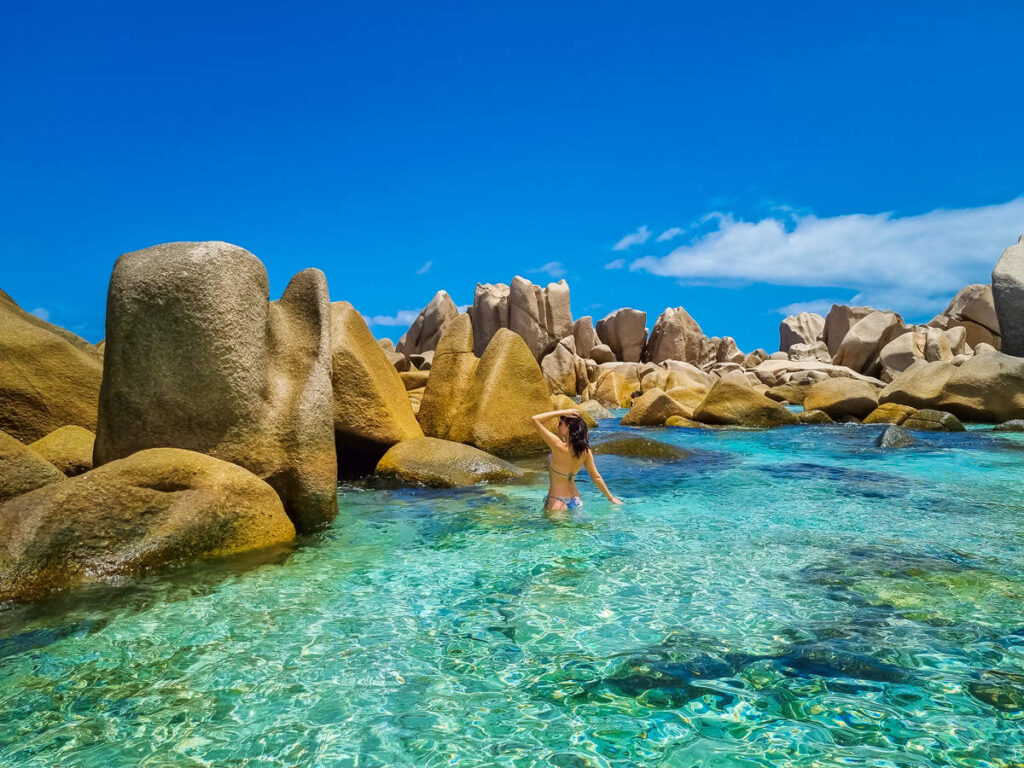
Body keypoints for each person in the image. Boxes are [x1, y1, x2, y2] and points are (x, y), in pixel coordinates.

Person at [531, 408, 622, 512]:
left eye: (560, 423)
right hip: (576, 500)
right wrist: (611, 497)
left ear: (568, 427)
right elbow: (596, 477)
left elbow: (535, 419)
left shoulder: (558, 446)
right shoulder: (585, 452)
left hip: (557, 501)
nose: (558, 426)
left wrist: (561, 412)